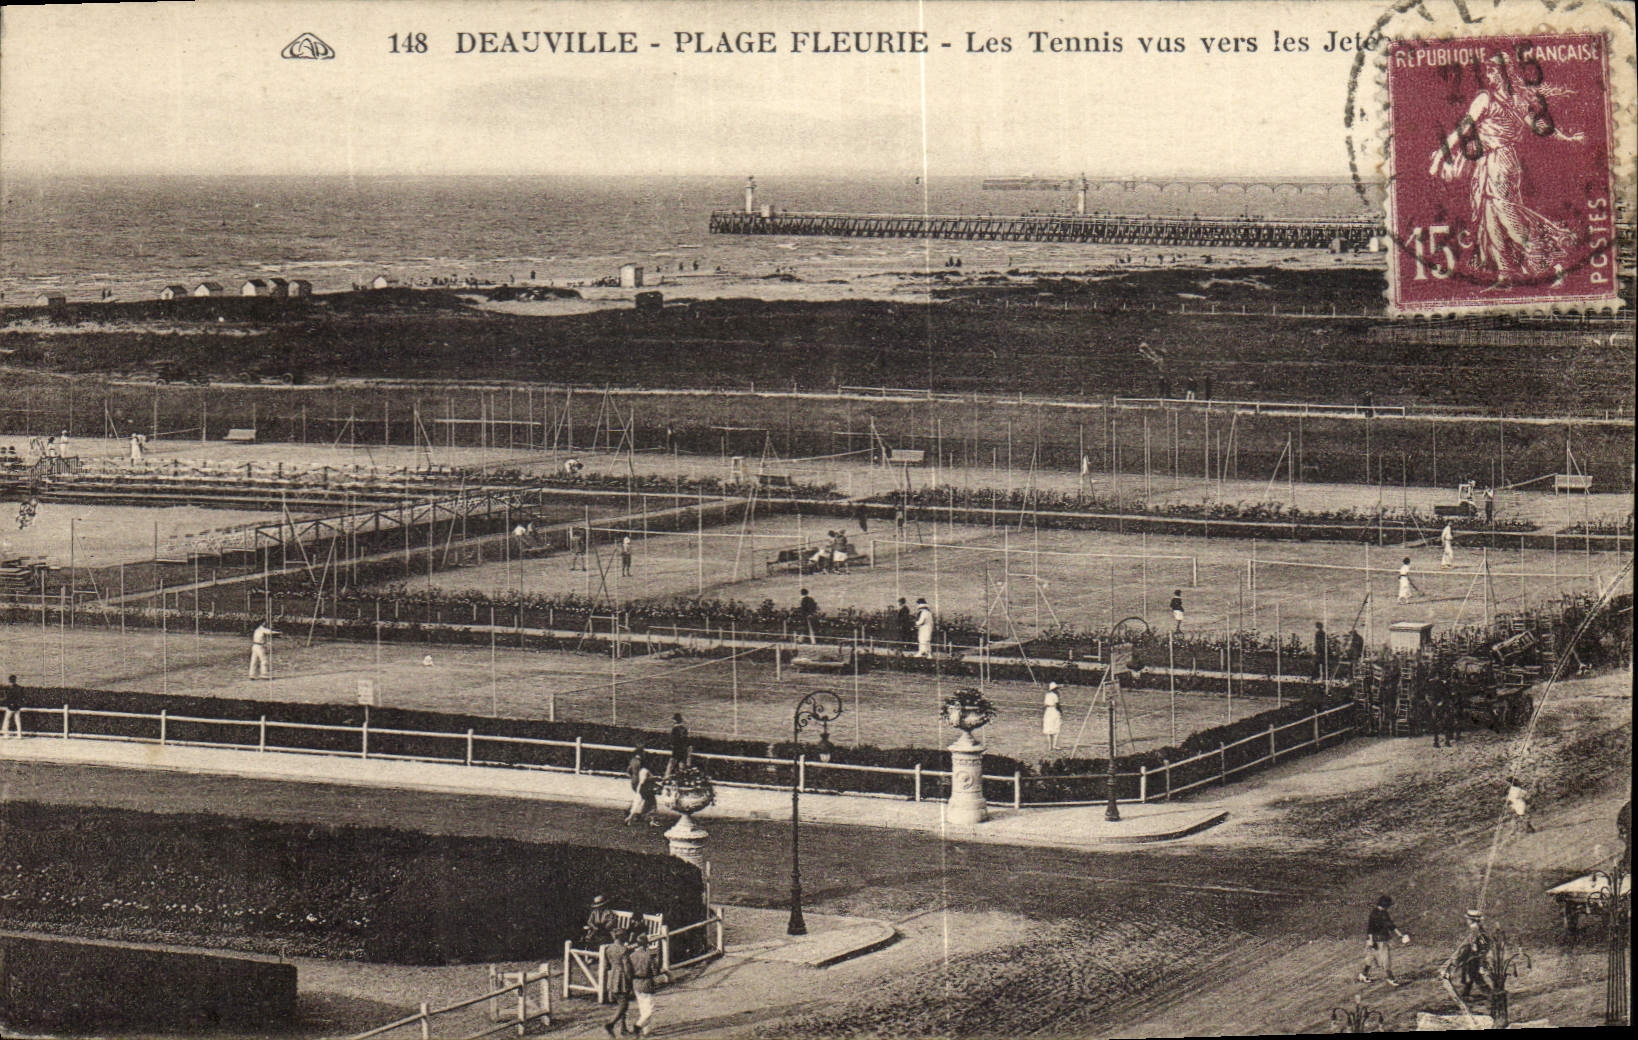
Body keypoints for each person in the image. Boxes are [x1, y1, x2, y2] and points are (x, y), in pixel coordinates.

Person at [1428, 56, 1582, 287]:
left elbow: (1464, 129)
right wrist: (1566, 137)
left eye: (1493, 72)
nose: (1489, 77)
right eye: (1488, 72)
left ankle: (1548, 263)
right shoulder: (1510, 100)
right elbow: (1540, 128)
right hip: (1488, 163)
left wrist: (1441, 155)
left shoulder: (1491, 99)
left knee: (1506, 213)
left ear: (1504, 74)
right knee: (1488, 216)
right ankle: (1505, 274)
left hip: (1500, 162)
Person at [1441, 910, 1496, 1004]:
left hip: (1474, 957)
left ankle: (1491, 995)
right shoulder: (1477, 931)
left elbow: (1478, 944)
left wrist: (1475, 949)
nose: (1467, 921)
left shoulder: (1477, 931)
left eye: (1468, 919)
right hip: (1474, 956)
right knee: (1471, 976)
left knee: (1475, 976)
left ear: (1472, 920)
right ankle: (1466, 994)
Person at [1358, 895, 1410, 986]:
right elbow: (1370, 928)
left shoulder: (1384, 913)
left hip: (1378, 939)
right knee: (1385, 959)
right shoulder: (1375, 914)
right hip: (1378, 940)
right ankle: (1391, 978)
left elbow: (1391, 926)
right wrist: (1370, 941)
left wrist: (1401, 935)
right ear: (1386, 905)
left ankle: (1363, 975)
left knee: (1371, 958)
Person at [627, 932, 666, 1037]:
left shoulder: (631, 956)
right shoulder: (648, 956)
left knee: (642, 1007)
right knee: (649, 1010)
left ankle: (646, 1030)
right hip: (646, 983)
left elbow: (628, 971)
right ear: (646, 944)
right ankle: (638, 1026)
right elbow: (655, 972)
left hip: (635, 983)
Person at [602, 928, 634, 1038]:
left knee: (621, 1002)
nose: (626, 937)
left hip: (613, 976)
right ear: (620, 937)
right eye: (625, 935)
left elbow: (607, 965)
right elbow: (627, 968)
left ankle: (623, 1029)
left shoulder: (608, 949)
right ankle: (611, 1024)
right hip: (622, 977)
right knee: (624, 1004)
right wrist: (630, 980)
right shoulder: (623, 949)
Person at [624, 747, 657, 826]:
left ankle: (632, 812)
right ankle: (643, 816)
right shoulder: (641, 764)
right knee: (648, 799)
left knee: (640, 798)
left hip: (634, 781)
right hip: (641, 782)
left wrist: (632, 776)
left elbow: (628, 771)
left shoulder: (632, 761)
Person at [1042, 682, 1063, 752]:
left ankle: (1050, 746)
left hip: (1048, 711)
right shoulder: (1055, 695)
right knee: (1056, 727)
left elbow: (1044, 705)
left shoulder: (1047, 695)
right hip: (1054, 711)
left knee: (1049, 728)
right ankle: (1054, 745)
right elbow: (1057, 705)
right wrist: (1061, 712)